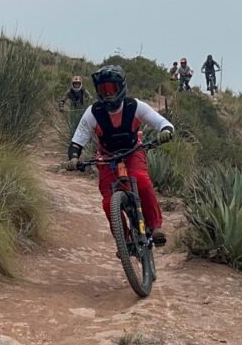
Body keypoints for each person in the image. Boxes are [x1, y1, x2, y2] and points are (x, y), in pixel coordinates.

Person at [66, 65, 173, 244]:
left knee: (141, 180)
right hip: (107, 157)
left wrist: (166, 131)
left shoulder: (135, 106)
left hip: (133, 151)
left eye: (111, 88)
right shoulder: (93, 113)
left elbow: (162, 123)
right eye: (103, 89)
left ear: (121, 87)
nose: (107, 94)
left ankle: (155, 226)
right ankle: (124, 242)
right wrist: (73, 158)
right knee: (109, 202)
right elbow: (77, 140)